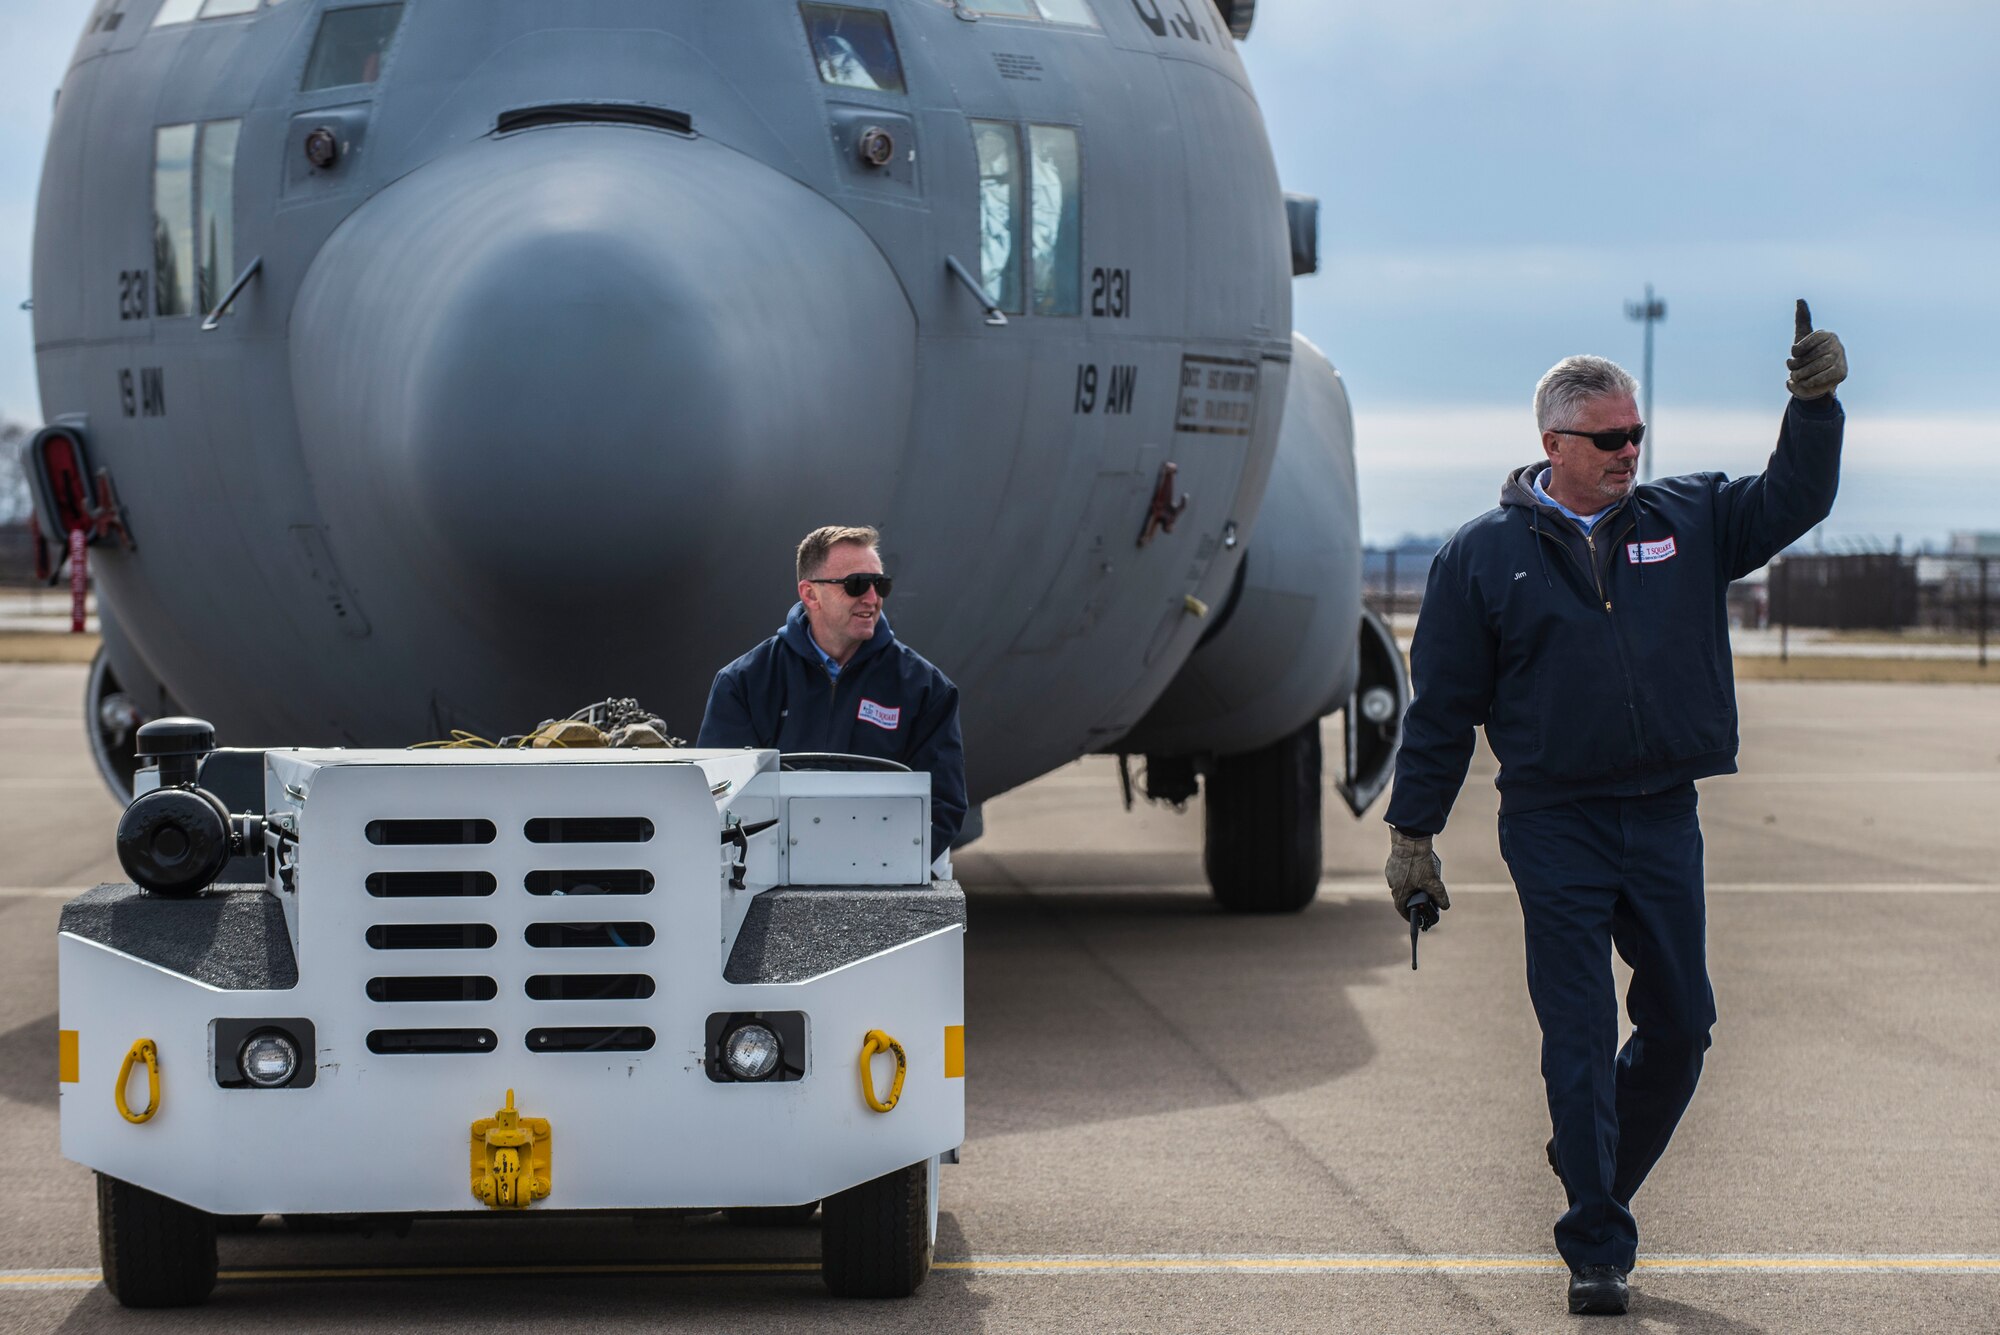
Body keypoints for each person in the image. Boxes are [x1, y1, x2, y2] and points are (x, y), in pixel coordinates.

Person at [1382, 304, 1847, 1315]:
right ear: (1551, 444)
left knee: (1681, 1027)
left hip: (1661, 815)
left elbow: (1793, 496)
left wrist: (1812, 405)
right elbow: (1443, 708)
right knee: (1578, 1032)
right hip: (1551, 822)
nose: (1628, 452)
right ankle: (1595, 1242)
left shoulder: (1686, 520)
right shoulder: (1478, 557)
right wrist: (1410, 834)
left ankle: (1587, 1159)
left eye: (1635, 434)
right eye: (1607, 439)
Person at [697, 525, 967, 861]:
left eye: (880, 584)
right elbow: (720, 796)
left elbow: (944, 804)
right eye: (856, 585)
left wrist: (878, 868)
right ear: (810, 594)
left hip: (881, 879)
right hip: (768, 880)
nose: (872, 598)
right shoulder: (744, 683)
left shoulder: (926, 689)